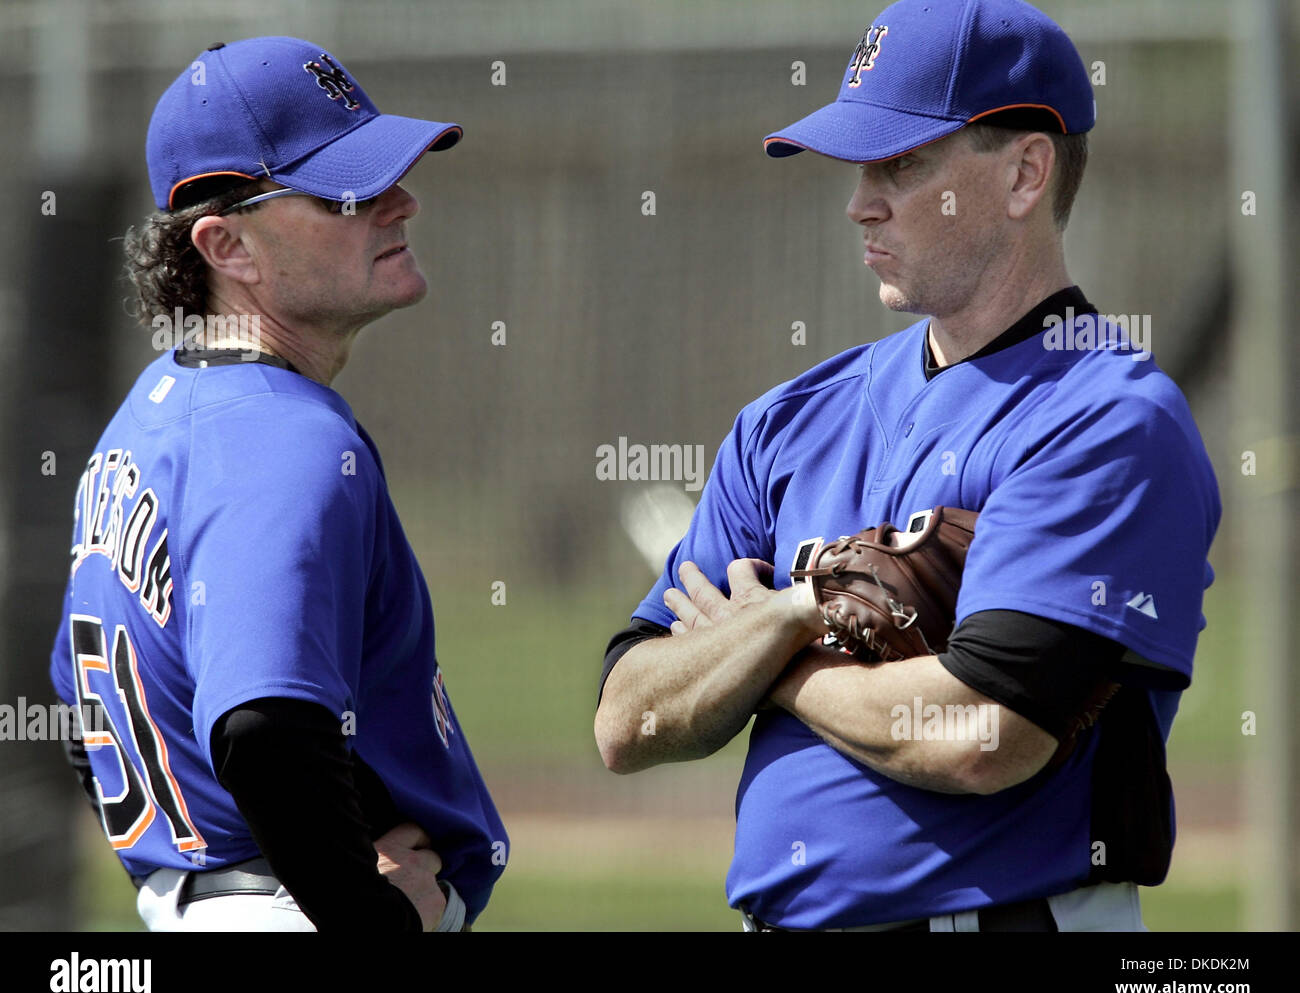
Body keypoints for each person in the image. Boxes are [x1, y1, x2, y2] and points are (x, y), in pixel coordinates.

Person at [595, 0, 1220, 932]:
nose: (860, 202)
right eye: (857, 168)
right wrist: (810, 627)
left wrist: (778, 636)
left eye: (901, 162)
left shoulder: (1106, 419)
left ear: (1024, 173)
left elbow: (981, 734)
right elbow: (626, 717)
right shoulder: (785, 421)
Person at [48, 36, 505, 931]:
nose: (401, 200)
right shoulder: (283, 437)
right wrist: (367, 914)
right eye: (350, 190)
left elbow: (78, 716)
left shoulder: (152, 412)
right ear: (228, 246)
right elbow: (264, 729)